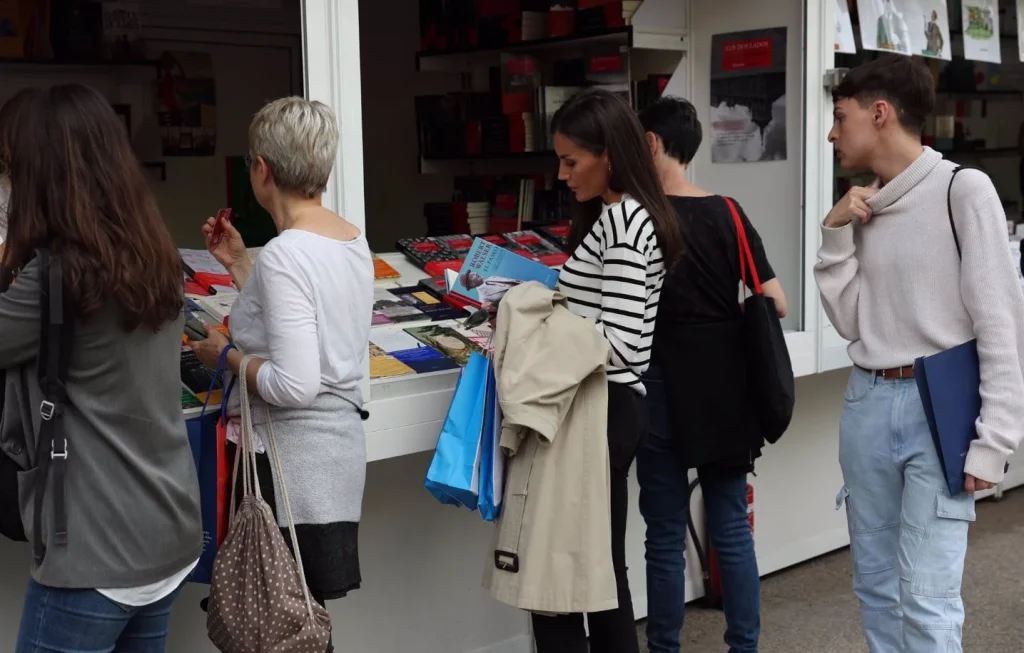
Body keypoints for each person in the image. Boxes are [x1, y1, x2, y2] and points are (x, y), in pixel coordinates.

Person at [818, 55, 1024, 652]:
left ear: (879, 113)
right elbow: (850, 320)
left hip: (938, 408)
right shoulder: (864, 207)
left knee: (928, 596)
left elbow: (1001, 326)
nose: (832, 132)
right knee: (876, 587)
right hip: (866, 402)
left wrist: (994, 441)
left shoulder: (963, 189)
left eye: (840, 116)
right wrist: (834, 238)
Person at [0, 84, 202, 652]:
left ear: (40, 177)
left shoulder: (54, 279)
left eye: (11, 170)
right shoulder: (155, 256)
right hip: (166, 531)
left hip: (94, 549)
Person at [189, 96, 373, 653]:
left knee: (281, 629)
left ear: (262, 170)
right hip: (331, 464)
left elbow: (296, 384)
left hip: (291, 470)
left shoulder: (288, 254)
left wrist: (224, 356)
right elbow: (301, 328)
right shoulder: (349, 238)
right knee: (299, 626)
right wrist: (242, 265)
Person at [635, 96, 787, 653]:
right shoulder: (727, 210)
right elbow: (777, 301)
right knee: (730, 526)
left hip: (661, 381)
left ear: (652, 143)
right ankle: (743, 646)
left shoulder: (638, 216)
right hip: (726, 382)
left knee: (665, 534)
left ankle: (665, 648)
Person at [536, 87, 681, 653]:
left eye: (572, 161)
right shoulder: (625, 217)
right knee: (597, 572)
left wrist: (542, 329)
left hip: (600, 406)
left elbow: (618, 343)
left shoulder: (621, 225)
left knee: (570, 576)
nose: (562, 174)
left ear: (610, 156)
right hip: (610, 408)